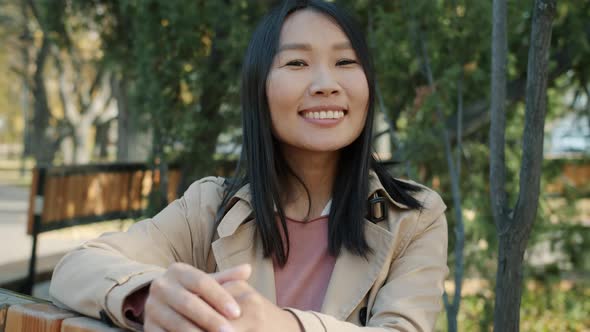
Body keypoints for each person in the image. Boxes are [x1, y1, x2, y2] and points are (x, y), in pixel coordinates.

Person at [50, 1, 448, 331]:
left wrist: (281, 325)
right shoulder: (210, 207)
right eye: (296, 63)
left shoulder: (413, 217)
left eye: (345, 61)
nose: (326, 83)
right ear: (258, 89)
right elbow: (78, 266)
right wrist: (150, 294)